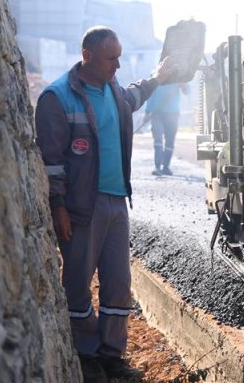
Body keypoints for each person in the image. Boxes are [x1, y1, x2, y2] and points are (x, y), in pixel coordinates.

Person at [35, 26, 176, 383]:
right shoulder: (57, 98)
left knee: (117, 282)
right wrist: (58, 206)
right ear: (87, 56)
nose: (118, 64)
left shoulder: (114, 92)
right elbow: (50, 161)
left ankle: (112, 354)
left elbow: (136, 94)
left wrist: (158, 78)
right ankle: (86, 354)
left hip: (116, 204)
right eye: (111, 58)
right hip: (82, 208)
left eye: (119, 57)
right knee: (79, 282)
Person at [143, 81, 189, 176]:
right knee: (158, 140)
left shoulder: (179, 76)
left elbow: (187, 91)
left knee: (170, 141)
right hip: (157, 113)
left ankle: (166, 166)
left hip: (172, 113)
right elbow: (150, 95)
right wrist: (147, 111)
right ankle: (157, 166)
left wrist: (184, 85)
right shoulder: (156, 74)